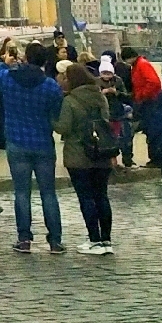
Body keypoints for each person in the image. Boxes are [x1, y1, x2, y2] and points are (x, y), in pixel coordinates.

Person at [0, 42, 66, 254]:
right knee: (48, 193)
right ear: (45, 61)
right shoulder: (50, 85)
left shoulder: (8, 77)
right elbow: (57, 112)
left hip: (17, 141)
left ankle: (24, 239)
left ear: (26, 58)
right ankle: (55, 240)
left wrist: (4, 63)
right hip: (43, 143)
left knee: (22, 193)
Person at [53, 61, 118, 255]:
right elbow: (105, 120)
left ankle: (94, 240)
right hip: (102, 153)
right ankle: (106, 240)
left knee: (86, 198)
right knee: (102, 196)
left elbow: (64, 127)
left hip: (78, 155)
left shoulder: (70, 101)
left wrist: (51, 120)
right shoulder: (100, 96)